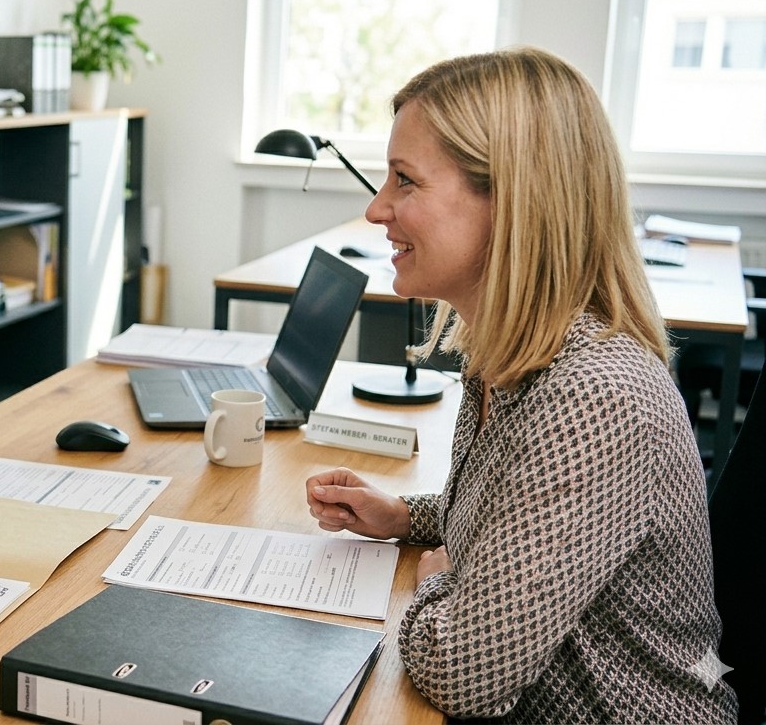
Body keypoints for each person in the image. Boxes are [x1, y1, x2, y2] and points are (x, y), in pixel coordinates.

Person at [305, 47, 737, 723]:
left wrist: (437, 584)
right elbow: (516, 516)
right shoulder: (504, 352)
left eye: (405, 181)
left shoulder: (596, 395)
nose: (376, 208)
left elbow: (464, 672)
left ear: (511, 200)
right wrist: (404, 517)